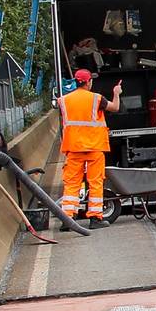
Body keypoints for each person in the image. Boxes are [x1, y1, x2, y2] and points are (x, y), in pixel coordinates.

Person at [60, 69, 110, 223]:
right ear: (88, 82)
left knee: (72, 184)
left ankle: (67, 218)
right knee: (95, 182)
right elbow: (114, 107)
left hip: (74, 148)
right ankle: (95, 218)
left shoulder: (63, 100)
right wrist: (116, 93)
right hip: (94, 148)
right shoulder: (96, 98)